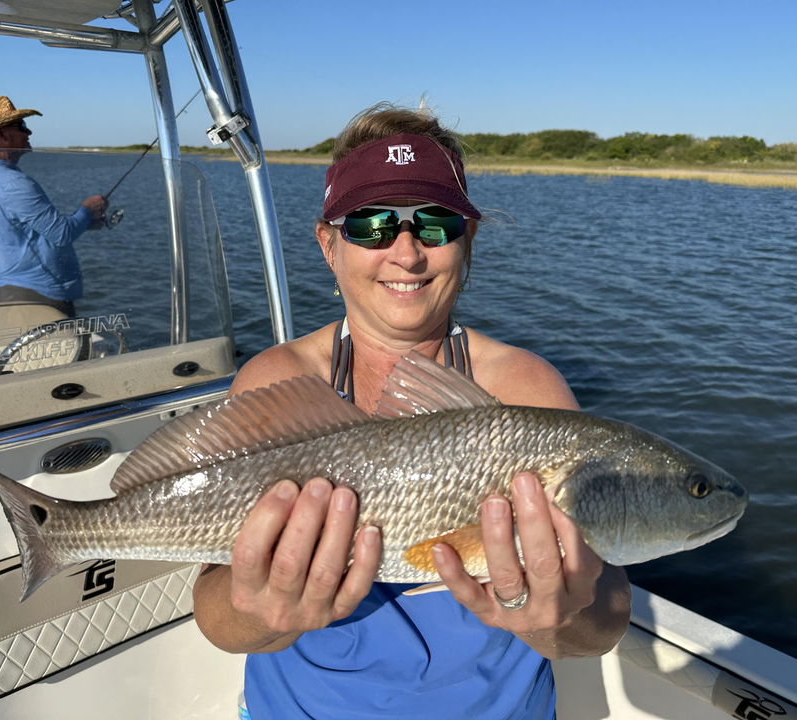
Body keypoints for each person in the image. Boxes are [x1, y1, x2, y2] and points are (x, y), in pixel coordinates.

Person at [192, 103, 632, 719]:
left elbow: (602, 627)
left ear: (466, 239)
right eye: (371, 225)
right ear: (328, 244)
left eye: (435, 224)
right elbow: (216, 615)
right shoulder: (277, 380)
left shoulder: (525, 385)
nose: (405, 252)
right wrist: (260, 611)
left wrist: (558, 619)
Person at [0, 96, 108, 318]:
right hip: (38, 294)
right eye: (21, 126)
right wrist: (88, 210)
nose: (28, 132)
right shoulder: (11, 182)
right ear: (2, 135)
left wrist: (85, 222)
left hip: (18, 289)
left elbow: (30, 228)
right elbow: (61, 233)